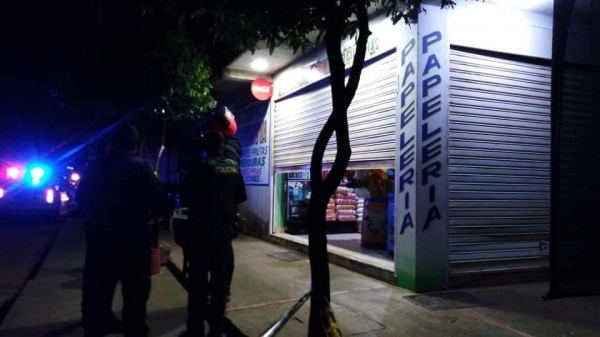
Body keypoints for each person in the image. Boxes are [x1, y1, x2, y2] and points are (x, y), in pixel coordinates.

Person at [76, 124, 165, 337]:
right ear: (134, 145)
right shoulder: (142, 168)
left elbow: (80, 199)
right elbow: (160, 203)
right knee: (135, 297)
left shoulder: (93, 167)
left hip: (101, 240)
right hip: (134, 242)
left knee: (97, 293)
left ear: (111, 144)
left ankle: (96, 327)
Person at [179, 130, 247, 337]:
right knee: (219, 285)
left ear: (205, 146)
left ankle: (195, 331)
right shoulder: (233, 167)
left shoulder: (199, 167)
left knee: (198, 285)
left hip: (201, 233)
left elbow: (185, 198)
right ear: (221, 146)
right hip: (224, 234)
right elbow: (240, 196)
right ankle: (216, 331)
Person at [205, 105, 244, 303]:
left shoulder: (225, 154)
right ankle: (220, 288)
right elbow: (240, 193)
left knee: (219, 255)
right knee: (223, 252)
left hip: (216, 216)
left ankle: (221, 288)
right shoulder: (233, 148)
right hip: (226, 214)